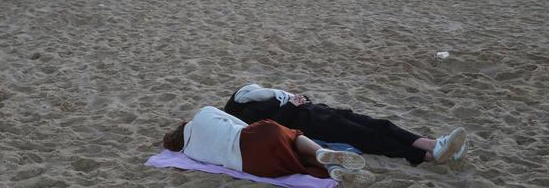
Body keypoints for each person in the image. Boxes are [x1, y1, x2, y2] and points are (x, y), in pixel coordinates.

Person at [224, 84, 468, 167]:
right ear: (239, 100)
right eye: (247, 91)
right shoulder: (247, 113)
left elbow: (294, 102)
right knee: (371, 138)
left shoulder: (269, 97)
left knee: (380, 125)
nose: (254, 90)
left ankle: (435, 144)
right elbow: (271, 128)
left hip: (323, 112)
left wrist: (299, 99)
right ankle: (429, 156)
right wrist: (292, 106)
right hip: (316, 124)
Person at [163, 106, 375, 185]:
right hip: (252, 138)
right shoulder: (203, 114)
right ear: (184, 125)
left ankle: (331, 168)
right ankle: (323, 153)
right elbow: (241, 124)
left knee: (293, 157)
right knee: (292, 137)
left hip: (254, 166)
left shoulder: (190, 153)